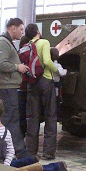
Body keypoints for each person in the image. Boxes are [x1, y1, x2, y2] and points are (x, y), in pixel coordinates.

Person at [0, 94, 70, 171]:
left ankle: (55, 168)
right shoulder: (6, 131)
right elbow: (10, 151)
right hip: (1, 163)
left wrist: (0, 167)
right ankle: (29, 160)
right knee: (14, 166)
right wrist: (5, 165)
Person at [0, 17, 30, 159]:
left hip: (7, 87)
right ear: (13, 28)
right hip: (5, 87)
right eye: (21, 29)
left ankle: (2, 150)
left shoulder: (6, 42)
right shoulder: (2, 42)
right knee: (10, 119)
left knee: (7, 119)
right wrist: (17, 67)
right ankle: (19, 151)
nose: (22, 32)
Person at [23, 23, 60, 160]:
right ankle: (48, 152)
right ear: (38, 32)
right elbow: (47, 61)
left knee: (33, 117)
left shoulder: (27, 46)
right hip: (45, 81)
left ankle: (31, 150)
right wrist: (57, 71)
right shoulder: (44, 42)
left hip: (32, 82)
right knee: (50, 116)